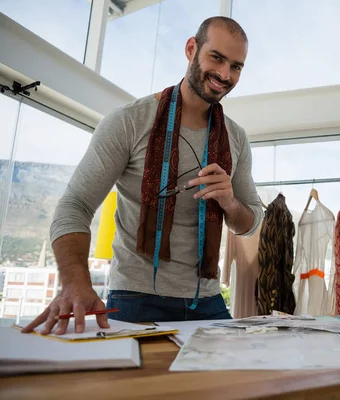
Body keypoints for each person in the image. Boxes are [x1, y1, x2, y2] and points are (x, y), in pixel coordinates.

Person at [23, 16, 262, 335]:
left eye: (236, 67)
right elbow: (74, 206)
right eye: (216, 58)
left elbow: (251, 222)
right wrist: (75, 283)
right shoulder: (128, 122)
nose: (224, 74)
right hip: (135, 300)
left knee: (236, 383)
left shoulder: (236, 138)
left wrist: (230, 202)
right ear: (191, 49)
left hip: (207, 301)